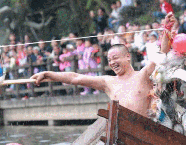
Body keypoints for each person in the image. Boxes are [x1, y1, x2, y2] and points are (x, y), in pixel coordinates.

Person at [31, 13, 177, 117]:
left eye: (115, 58)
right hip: (124, 132)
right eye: (109, 60)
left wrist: (167, 29)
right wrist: (48, 74)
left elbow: (162, 53)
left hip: (145, 128)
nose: (112, 62)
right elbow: (75, 78)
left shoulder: (143, 74)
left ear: (127, 57)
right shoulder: (108, 82)